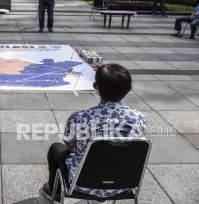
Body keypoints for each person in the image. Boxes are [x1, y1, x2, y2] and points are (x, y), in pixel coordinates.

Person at [41, 64, 147, 203]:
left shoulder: (80, 117)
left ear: (96, 86)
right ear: (129, 89)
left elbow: (68, 145)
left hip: (81, 184)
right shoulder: (139, 119)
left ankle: (55, 193)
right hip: (124, 185)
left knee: (56, 148)